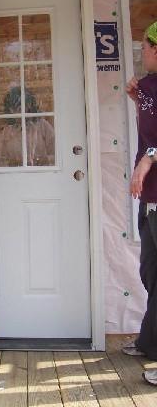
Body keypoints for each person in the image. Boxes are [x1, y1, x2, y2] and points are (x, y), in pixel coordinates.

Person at [122, 21, 157, 385]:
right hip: (150, 197)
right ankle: (151, 342)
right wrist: (138, 99)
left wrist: (149, 158)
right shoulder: (148, 87)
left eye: (145, 47)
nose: (142, 53)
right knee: (151, 272)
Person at [0, 86, 55, 167]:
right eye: (15, 107)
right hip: (16, 177)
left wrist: (44, 160)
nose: (20, 110)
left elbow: (57, 155)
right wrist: (12, 164)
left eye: (23, 106)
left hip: (42, 174)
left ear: (29, 106)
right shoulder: (7, 132)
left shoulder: (43, 126)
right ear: (10, 110)